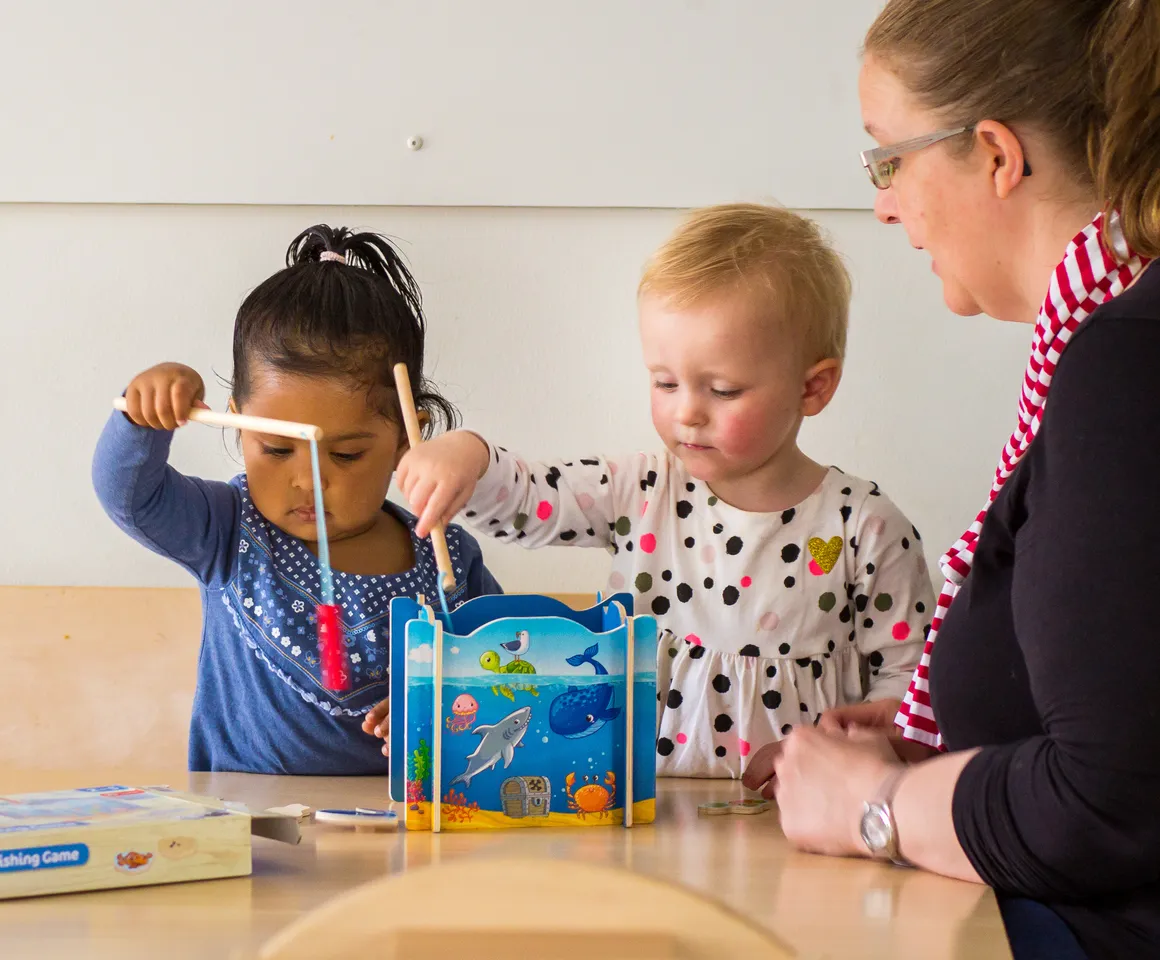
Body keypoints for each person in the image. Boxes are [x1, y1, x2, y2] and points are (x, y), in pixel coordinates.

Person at [742, 2, 1160, 957]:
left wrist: (880, 805)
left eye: (888, 160)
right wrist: (955, 736)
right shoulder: (1115, 341)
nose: (884, 205)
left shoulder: (1127, 365)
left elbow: (1110, 802)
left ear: (997, 155)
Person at [394, 203, 934, 779]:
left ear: (812, 388)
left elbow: (910, 682)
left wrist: (864, 750)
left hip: (798, 812)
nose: (687, 413)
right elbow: (530, 501)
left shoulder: (865, 527)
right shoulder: (639, 490)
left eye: (723, 390)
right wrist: (471, 457)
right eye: (665, 382)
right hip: (640, 806)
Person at [93, 225, 502, 774]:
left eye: (347, 455)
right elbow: (130, 497)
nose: (308, 480)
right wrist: (141, 416)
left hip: (399, 816)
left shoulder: (446, 556)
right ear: (238, 422)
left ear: (408, 437)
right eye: (278, 449)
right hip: (248, 815)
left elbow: (500, 670)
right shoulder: (225, 530)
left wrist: (441, 702)